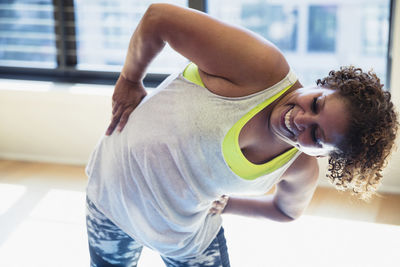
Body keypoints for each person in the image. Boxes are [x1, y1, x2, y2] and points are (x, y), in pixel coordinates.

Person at [85, 3, 398, 267]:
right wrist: (129, 78)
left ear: (324, 155)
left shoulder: (299, 168)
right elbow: (158, 19)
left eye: (316, 136)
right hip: (110, 201)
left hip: (184, 239)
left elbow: (286, 211)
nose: (300, 119)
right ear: (324, 85)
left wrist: (229, 205)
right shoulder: (261, 68)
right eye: (316, 103)